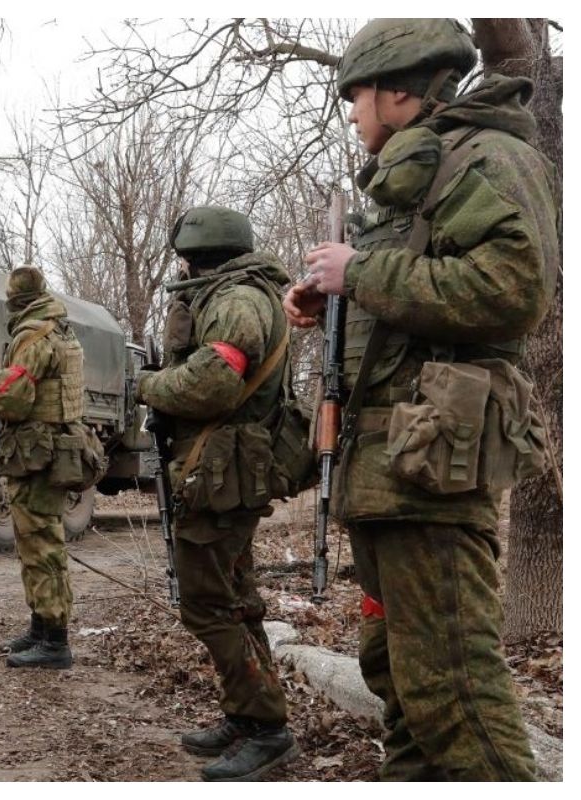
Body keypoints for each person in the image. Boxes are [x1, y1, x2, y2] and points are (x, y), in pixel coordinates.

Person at [284, 18, 557, 781]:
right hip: (390, 473)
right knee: (399, 678)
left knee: (454, 691)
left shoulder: (490, 157)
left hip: (431, 474)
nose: (351, 112)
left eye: (357, 95)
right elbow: (410, 306)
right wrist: (325, 297)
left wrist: (360, 275)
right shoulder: (418, 177)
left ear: (399, 89)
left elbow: (513, 291)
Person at [134, 207, 298, 781]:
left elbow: (212, 381)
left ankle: (268, 726)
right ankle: (250, 714)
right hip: (218, 471)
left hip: (222, 475)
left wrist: (149, 385)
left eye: (185, 254)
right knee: (235, 598)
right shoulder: (234, 294)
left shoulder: (236, 301)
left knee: (207, 601)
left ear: (199, 254)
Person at [0, 265, 82, 669]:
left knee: (41, 544)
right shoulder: (60, 329)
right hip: (51, 448)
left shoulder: (33, 335)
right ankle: (41, 628)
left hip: (37, 453)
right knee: (36, 541)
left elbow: (11, 399)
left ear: (14, 300)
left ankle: (55, 641)